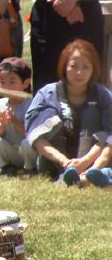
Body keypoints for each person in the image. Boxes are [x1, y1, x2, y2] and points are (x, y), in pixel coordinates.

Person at [25, 40, 111, 186]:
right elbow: (36, 136)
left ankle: (88, 176)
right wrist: (64, 161)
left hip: (91, 161)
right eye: (73, 66)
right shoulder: (47, 94)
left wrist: (86, 162)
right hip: (56, 160)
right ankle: (71, 176)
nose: (79, 72)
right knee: (51, 116)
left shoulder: (103, 95)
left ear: (94, 69)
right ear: (64, 67)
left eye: (85, 67)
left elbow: (109, 137)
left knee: (92, 113)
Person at [0, 57, 37, 176]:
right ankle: (4, 166)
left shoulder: (32, 104)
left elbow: (34, 135)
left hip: (28, 152)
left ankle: (30, 168)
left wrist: (15, 122)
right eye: (2, 82)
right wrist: (3, 124)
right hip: (10, 151)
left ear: (25, 83)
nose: (7, 87)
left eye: (12, 82)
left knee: (27, 143)